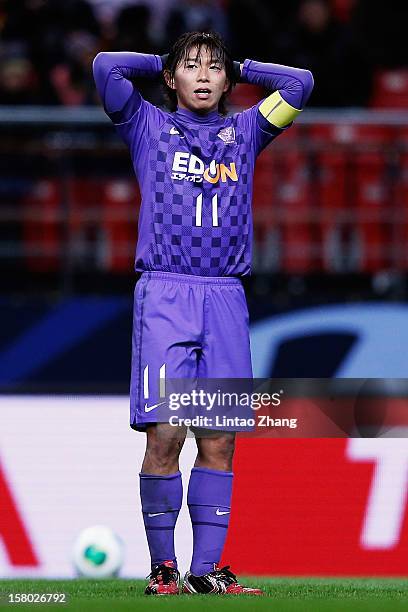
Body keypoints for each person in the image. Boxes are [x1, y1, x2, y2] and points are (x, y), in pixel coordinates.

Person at [93, 30, 313, 596]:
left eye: (214, 68)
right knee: (165, 434)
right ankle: (163, 571)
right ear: (172, 78)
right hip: (166, 293)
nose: (204, 75)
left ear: (226, 80)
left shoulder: (247, 131)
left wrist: (241, 64)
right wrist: (161, 58)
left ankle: (207, 571)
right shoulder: (146, 126)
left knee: (219, 438)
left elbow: (300, 83)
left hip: (224, 296)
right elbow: (104, 67)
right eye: (191, 67)